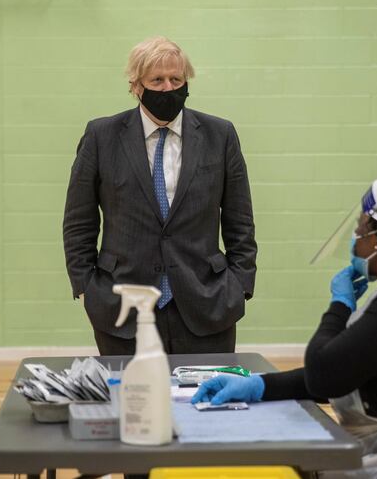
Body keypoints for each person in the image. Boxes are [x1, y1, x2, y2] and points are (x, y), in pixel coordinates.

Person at [192, 169, 377, 478]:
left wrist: (340, 306)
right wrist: (258, 386)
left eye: (360, 228)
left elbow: (325, 374)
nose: (355, 237)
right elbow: (342, 370)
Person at [63, 36, 257, 356]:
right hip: (121, 307)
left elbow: (241, 222)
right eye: (157, 80)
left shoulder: (220, 135)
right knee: (131, 404)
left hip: (207, 304)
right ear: (136, 86)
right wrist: (86, 289)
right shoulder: (101, 136)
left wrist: (240, 286)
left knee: (204, 403)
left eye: (176, 79)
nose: (168, 88)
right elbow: (78, 222)